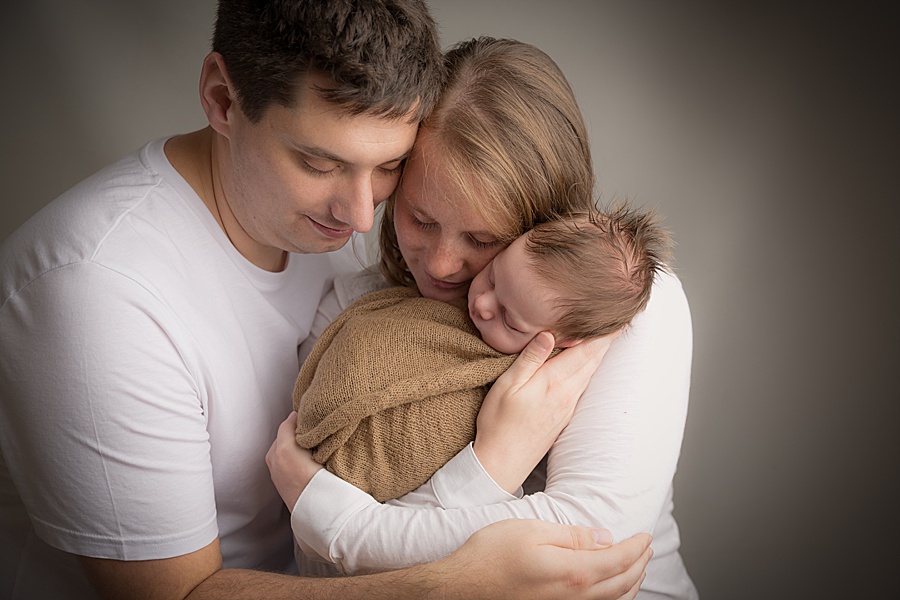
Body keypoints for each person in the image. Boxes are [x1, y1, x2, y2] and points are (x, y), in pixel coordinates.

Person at [0, 2, 651, 599]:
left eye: (389, 166)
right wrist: (449, 585)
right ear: (223, 99)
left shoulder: (382, 237)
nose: (364, 216)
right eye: (319, 163)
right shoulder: (96, 296)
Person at [268, 36, 698, 599]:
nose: (443, 265)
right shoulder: (357, 310)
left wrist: (344, 518)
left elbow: (587, 552)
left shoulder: (621, 304)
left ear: (543, 223)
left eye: (483, 238)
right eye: (420, 219)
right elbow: (329, 580)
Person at [292, 207, 670, 509]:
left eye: (509, 318)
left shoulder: (560, 377)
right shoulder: (404, 298)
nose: (483, 305)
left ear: (563, 342)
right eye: (492, 277)